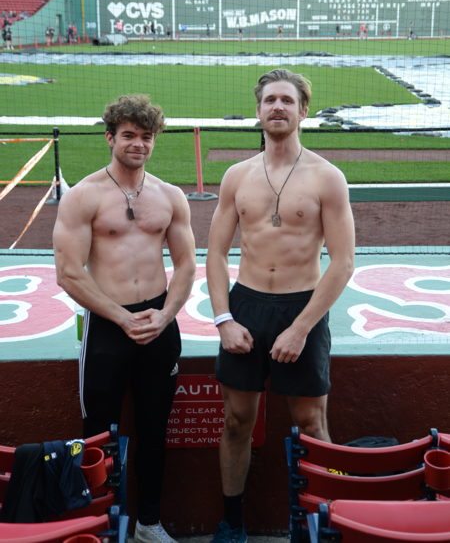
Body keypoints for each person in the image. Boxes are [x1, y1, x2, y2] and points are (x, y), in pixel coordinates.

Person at [206, 68, 355, 543]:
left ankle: (325, 520)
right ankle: (232, 522)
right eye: (269, 99)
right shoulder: (237, 176)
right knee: (236, 421)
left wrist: (301, 327)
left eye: (287, 100)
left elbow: (343, 262)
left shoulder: (327, 177)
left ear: (303, 111)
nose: (277, 107)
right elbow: (215, 254)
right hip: (246, 306)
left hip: (301, 308)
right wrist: (224, 319)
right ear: (258, 110)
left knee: (311, 421)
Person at [53, 94, 196, 543]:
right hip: (108, 326)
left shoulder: (169, 196)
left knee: (155, 429)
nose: (138, 144)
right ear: (110, 138)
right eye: (129, 135)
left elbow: (186, 265)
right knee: (98, 433)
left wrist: (166, 314)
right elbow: (68, 272)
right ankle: (98, 524)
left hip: (159, 323)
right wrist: (120, 317)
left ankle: (148, 523)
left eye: (146, 137)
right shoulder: (84, 196)